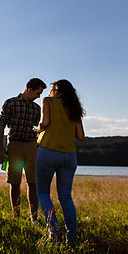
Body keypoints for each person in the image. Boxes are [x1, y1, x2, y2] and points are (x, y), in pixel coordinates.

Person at [33, 79, 85, 244]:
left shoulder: (48, 101)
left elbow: (45, 122)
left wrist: (38, 128)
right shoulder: (74, 108)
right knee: (66, 197)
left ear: (56, 90)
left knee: (42, 193)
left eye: (52, 89)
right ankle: (72, 238)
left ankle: (54, 231)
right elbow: (81, 136)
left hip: (48, 151)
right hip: (69, 156)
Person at [0, 78, 46, 224]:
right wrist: (0, 148)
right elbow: (1, 126)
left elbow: (39, 130)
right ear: (29, 89)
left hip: (32, 146)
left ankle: (34, 218)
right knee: (15, 182)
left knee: (33, 182)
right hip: (14, 145)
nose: (39, 96)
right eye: (38, 93)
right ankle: (16, 217)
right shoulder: (10, 103)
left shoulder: (37, 109)